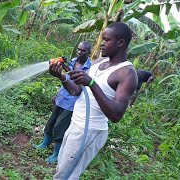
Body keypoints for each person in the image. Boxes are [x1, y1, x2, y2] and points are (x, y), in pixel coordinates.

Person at [49, 22, 138, 179]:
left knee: (65, 176)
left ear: (120, 42)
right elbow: (78, 91)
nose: (101, 43)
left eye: (106, 39)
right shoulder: (99, 62)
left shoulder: (127, 74)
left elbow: (116, 115)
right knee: (62, 171)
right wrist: (62, 77)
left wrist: (91, 83)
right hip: (75, 124)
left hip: (90, 131)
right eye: (101, 39)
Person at [33, 42, 92, 164]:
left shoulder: (89, 68)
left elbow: (80, 88)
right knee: (51, 123)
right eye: (79, 49)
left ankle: (56, 154)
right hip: (61, 99)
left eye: (83, 51)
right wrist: (58, 94)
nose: (80, 52)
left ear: (89, 53)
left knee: (60, 127)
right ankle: (44, 144)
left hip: (71, 104)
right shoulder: (73, 61)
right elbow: (66, 79)